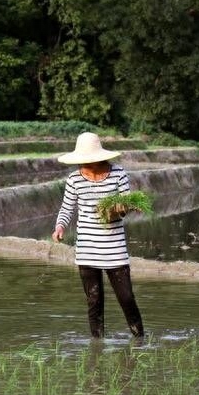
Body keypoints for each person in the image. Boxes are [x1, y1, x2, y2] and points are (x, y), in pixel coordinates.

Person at [52, 132, 144, 339]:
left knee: (127, 298)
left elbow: (125, 203)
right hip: (86, 248)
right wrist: (60, 227)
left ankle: (140, 340)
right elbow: (67, 208)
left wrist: (120, 209)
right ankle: (97, 345)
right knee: (94, 302)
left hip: (115, 248)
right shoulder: (74, 179)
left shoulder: (118, 173)